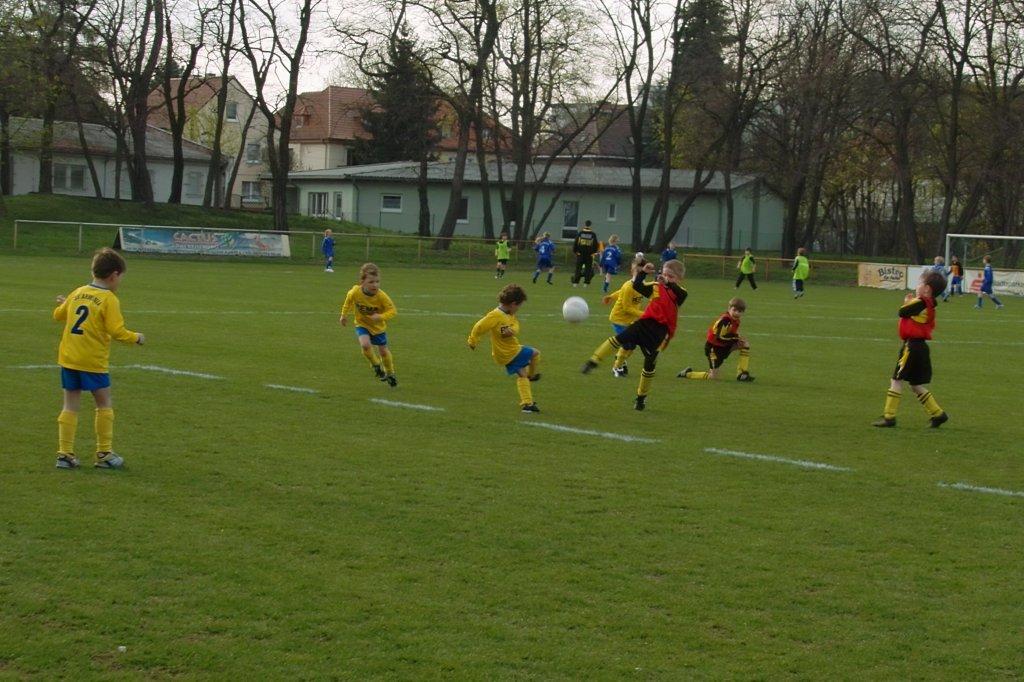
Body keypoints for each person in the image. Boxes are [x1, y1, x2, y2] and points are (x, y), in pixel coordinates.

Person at [52, 247, 145, 470]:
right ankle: (104, 453)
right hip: (92, 361)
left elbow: (58, 315)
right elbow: (117, 331)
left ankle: (64, 454)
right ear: (114, 275)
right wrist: (136, 338)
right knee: (103, 403)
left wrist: (65, 303)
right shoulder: (108, 299)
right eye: (121, 277)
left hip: (69, 358)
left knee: (70, 405)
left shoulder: (78, 292)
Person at [581, 259, 688, 411]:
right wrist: (643, 272)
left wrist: (668, 283)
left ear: (679, 279)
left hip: (659, 333)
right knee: (619, 339)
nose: (665, 277)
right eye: (664, 274)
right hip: (643, 324)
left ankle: (640, 398)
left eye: (671, 276)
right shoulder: (655, 287)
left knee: (649, 365)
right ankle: (593, 361)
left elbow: (680, 295)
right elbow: (637, 285)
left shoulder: (681, 292)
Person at [873, 270, 949, 428]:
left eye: (920, 283)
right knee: (915, 384)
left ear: (927, 289)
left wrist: (907, 301)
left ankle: (889, 416)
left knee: (896, 380)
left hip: (911, 346)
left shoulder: (921, 302)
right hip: (921, 347)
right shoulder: (930, 304)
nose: (917, 286)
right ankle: (938, 414)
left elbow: (902, 312)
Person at [467, 284, 541, 413]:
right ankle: (532, 375)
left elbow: (515, 324)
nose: (518, 309)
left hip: (506, 352)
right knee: (535, 353)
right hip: (509, 352)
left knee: (522, 374)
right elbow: (479, 327)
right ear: (513, 304)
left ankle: (527, 404)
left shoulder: (508, 314)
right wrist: (472, 340)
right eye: (519, 306)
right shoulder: (495, 315)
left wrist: (512, 331)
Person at [340, 262, 399, 386]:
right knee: (365, 345)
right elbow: (348, 301)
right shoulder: (355, 292)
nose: (375, 285)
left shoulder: (382, 296)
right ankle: (376, 365)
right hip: (362, 324)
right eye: (371, 282)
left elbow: (392, 311)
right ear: (362, 282)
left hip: (378, 328)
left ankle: (390, 372)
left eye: (377, 282)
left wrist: (380, 317)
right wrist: (343, 315)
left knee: (383, 352)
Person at [677, 297, 754, 382]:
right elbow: (720, 337)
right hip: (713, 348)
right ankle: (687, 373)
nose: (737, 313)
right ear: (729, 308)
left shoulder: (735, 320)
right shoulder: (725, 320)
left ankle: (742, 374)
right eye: (734, 310)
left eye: (739, 311)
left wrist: (737, 338)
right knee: (713, 376)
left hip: (724, 345)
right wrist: (736, 338)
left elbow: (731, 332)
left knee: (745, 344)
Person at [603, 253, 649, 378]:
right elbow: (626, 308)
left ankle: (620, 359)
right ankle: (616, 367)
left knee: (631, 346)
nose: (639, 275)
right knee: (628, 345)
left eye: (642, 273)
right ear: (632, 271)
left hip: (630, 320)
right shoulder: (629, 287)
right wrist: (645, 314)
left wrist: (611, 296)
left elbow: (620, 292)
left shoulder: (642, 285)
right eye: (637, 272)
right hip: (619, 319)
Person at [571, 220, 599, 287]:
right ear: (590, 225)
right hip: (589, 255)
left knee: (578, 269)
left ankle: (575, 283)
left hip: (580, 254)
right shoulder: (593, 234)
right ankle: (585, 284)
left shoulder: (580, 233)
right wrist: (593, 252)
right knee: (588, 269)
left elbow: (575, 243)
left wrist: (575, 251)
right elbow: (595, 244)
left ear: (584, 224)